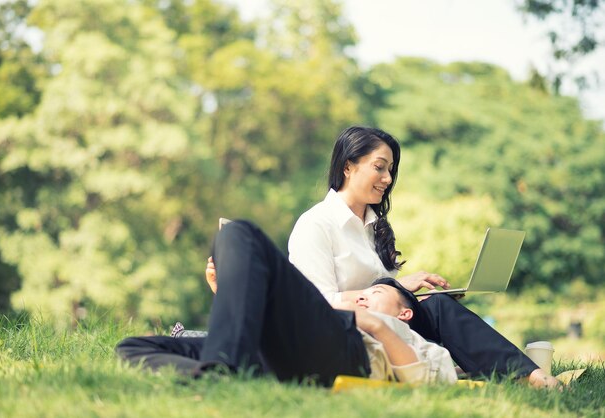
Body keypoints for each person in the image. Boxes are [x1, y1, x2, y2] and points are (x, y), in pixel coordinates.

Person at [285, 125, 558, 388]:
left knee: (436, 305)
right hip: (349, 332)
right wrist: (389, 295)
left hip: (391, 327)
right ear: (347, 166)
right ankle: (529, 376)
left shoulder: (373, 227)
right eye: (379, 167)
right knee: (438, 309)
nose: (388, 179)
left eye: (390, 170)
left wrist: (403, 292)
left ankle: (520, 371)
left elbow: (381, 295)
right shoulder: (316, 225)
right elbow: (314, 303)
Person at [116, 221, 457, 386]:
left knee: (239, 233)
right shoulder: (340, 311)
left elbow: (426, 382)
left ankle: (223, 367)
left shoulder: (414, 340)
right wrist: (231, 291)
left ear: (405, 312)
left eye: (378, 293)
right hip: (278, 349)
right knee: (131, 348)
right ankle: (217, 377)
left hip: (347, 346)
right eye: (365, 293)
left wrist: (373, 322)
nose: (366, 294)